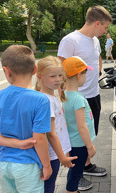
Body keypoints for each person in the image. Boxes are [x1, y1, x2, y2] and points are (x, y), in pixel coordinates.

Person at [58, 5, 111, 189]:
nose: (105, 32)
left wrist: (99, 71)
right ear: (97, 23)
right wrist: (61, 98)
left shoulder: (95, 40)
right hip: (76, 98)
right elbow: (59, 70)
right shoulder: (70, 40)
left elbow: (96, 59)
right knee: (76, 138)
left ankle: (86, 165)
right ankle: (76, 174)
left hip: (93, 95)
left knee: (90, 132)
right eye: (105, 27)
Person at [0, 45, 52, 193]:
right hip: (27, 165)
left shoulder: (0, 97)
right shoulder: (40, 100)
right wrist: (47, 166)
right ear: (35, 70)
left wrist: (17, 144)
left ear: (6, 71)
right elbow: (39, 139)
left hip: (3, 163)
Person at [35, 56, 78, 193]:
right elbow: (51, 133)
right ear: (39, 76)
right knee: (48, 186)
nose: (58, 79)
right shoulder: (46, 100)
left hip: (52, 152)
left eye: (60, 75)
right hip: (50, 154)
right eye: (53, 76)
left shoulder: (49, 97)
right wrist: (62, 157)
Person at [62, 56, 97, 193]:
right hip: (80, 144)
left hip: (72, 142)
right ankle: (71, 190)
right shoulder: (77, 99)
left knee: (74, 170)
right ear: (78, 75)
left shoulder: (65, 94)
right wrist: (90, 146)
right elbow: (82, 126)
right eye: (85, 74)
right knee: (76, 173)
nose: (86, 77)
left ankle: (72, 189)